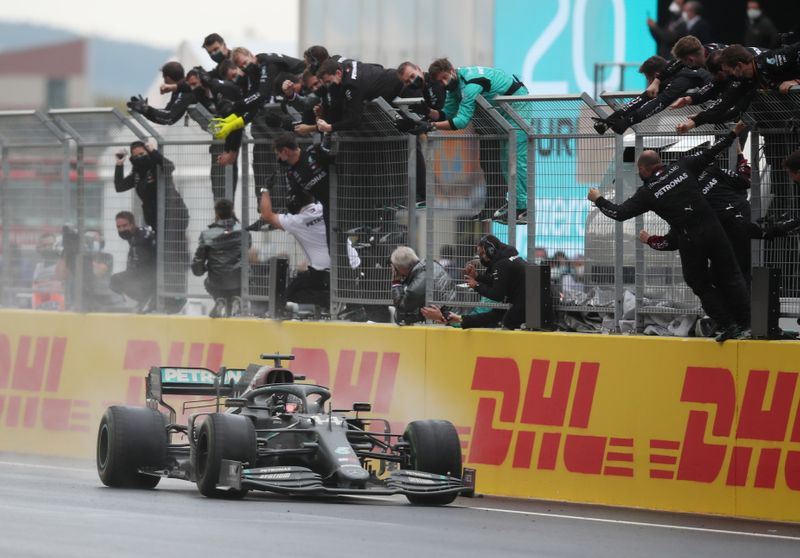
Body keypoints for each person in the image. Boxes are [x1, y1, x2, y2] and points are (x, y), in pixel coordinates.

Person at [587, 130, 751, 342]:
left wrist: (598, 199)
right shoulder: (682, 166)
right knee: (733, 276)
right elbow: (712, 152)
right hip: (714, 230)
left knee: (698, 282)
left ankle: (730, 325)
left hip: (690, 238)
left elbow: (619, 213)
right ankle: (747, 325)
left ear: (642, 170)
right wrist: (732, 134)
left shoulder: (648, 192)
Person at [639, 124, 757, 285]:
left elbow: (673, 240)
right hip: (740, 231)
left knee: (725, 281)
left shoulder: (682, 195)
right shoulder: (711, 172)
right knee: (736, 279)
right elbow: (745, 180)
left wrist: (649, 240)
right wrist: (740, 156)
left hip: (726, 239)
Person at [427, 58, 529, 222]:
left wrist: (430, 126)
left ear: (452, 70)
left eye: (445, 77)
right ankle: (515, 204)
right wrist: (426, 113)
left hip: (517, 103)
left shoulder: (471, 84)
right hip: (505, 107)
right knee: (505, 159)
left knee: (516, 156)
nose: (444, 83)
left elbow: (461, 121)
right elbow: (447, 113)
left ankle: (524, 208)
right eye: (440, 82)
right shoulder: (456, 86)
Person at [114, 141, 188, 313]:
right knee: (159, 255)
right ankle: (157, 295)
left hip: (174, 217)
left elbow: (170, 166)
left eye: (143, 154)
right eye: (136, 156)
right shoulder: (138, 174)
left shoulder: (158, 167)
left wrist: (154, 151)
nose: (140, 158)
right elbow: (119, 186)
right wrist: (119, 163)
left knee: (170, 254)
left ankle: (175, 295)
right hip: (156, 221)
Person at [422, 235, 526, 330]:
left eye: (481, 254)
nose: (481, 259)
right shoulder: (507, 264)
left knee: (509, 322)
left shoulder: (500, 270)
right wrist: (478, 278)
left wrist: (443, 317)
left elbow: (483, 317)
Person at [593, 53, 711, 135]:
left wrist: (628, 121)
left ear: (656, 75)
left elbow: (659, 103)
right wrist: (609, 121)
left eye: (647, 79)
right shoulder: (669, 75)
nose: (649, 84)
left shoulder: (681, 78)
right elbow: (642, 99)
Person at [259, 187, 331, 309]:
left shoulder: (297, 221)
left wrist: (264, 191)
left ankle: (329, 300)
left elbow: (266, 215)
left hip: (324, 274)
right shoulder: (324, 207)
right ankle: (331, 301)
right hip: (351, 266)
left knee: (289, 293)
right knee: (304, 277)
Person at [272, 132, 334, 244]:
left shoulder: (313, 153)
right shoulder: (291, 173)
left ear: (285, 151)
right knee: (333, 245)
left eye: (278, 154)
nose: (278, 158)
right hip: (328, 209)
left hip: (343, 200)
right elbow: (295, 199)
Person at [191, 198, 248, 318]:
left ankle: (220, 299)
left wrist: (201, 270)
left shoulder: (206, 234)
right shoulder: (244, 232)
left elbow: (199, 259)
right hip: (239, 279)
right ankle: (236, 299)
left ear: (216, 213)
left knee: (208, 282)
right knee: (243, 274)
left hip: (217, 280)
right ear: (232, 211)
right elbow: (247, 248)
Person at [315, 58, 404, 132]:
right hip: (392, 76)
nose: (329, 86)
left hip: (400, 87)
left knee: (411, 129)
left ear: (338, 73)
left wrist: (330, 127)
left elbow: (354, 119)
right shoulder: (344, 64)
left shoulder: (352, 85)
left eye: (329, 82)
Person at [389, 246, 455, 325]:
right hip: (451, 314)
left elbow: (401, 309)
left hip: (449, 322)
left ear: (401, 268)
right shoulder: (430, 265)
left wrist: (396, 282)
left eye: (395, 268)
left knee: (403, 318)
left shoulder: (417, 285)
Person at [110, 211, 157, 312]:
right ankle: (140, 302)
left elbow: (139, 265)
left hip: (151, 278)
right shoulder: (135, 236)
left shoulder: (140, 239)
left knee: (115, 280)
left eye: (125, 225)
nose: (121, 229)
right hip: (146, 276)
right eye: (119, 227)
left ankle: (142, 301)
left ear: (132, 224)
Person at [31, 232, 65, 311]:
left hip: (59, 312)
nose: (47, 248)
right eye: (44, 245)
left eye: (50, 245)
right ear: (39, 248)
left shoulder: (62, 267)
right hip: (39, 311)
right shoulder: (38, 267)